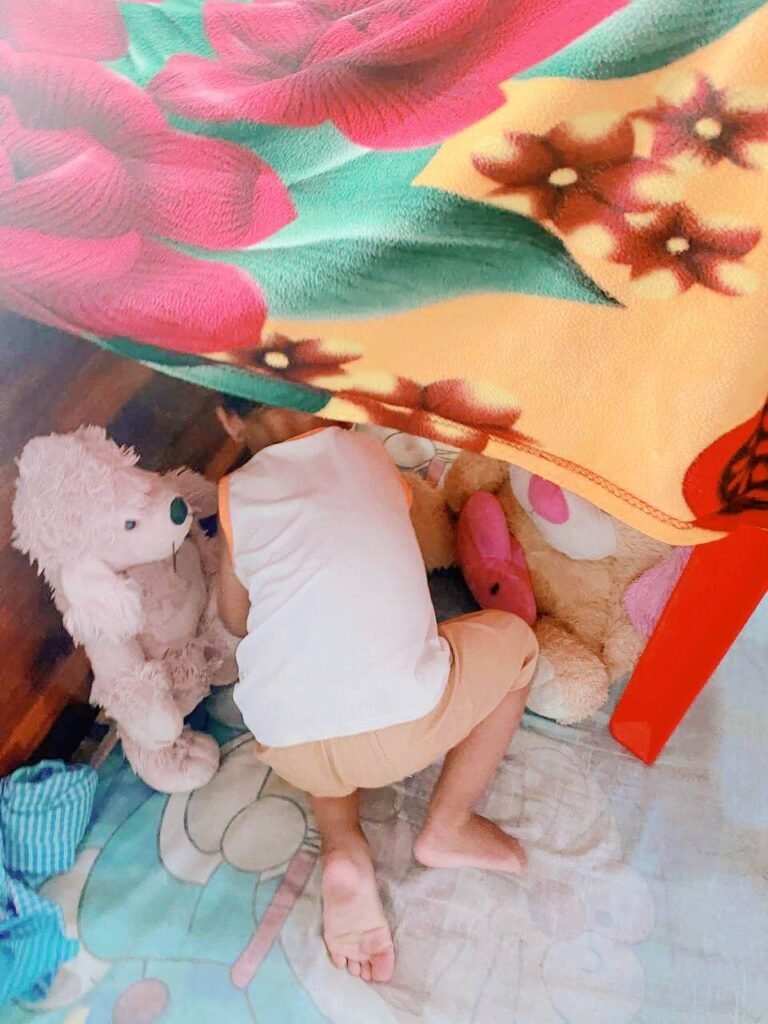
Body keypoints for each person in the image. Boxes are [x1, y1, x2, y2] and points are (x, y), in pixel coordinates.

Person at [215, 396, 538, 984]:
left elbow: (234, 619)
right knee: (517, 644)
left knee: (313, 683)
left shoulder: (233, 493)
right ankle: (448, 822)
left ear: (228, 421)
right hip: (401, 730)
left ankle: (342, 845)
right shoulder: (368, 452)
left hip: (286, 742)